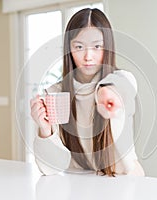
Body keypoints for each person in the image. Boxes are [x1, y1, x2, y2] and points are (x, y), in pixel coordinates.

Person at [30, 8, 144, 176]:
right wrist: (45, 130)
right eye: (79, 46)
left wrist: (108, 93)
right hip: (79, 185)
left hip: (124, 180)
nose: (88, 56)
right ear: (69, 48)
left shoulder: (120, 80)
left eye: (97, 46)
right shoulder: (56, 94)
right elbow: (51, 169)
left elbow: (125, 85)